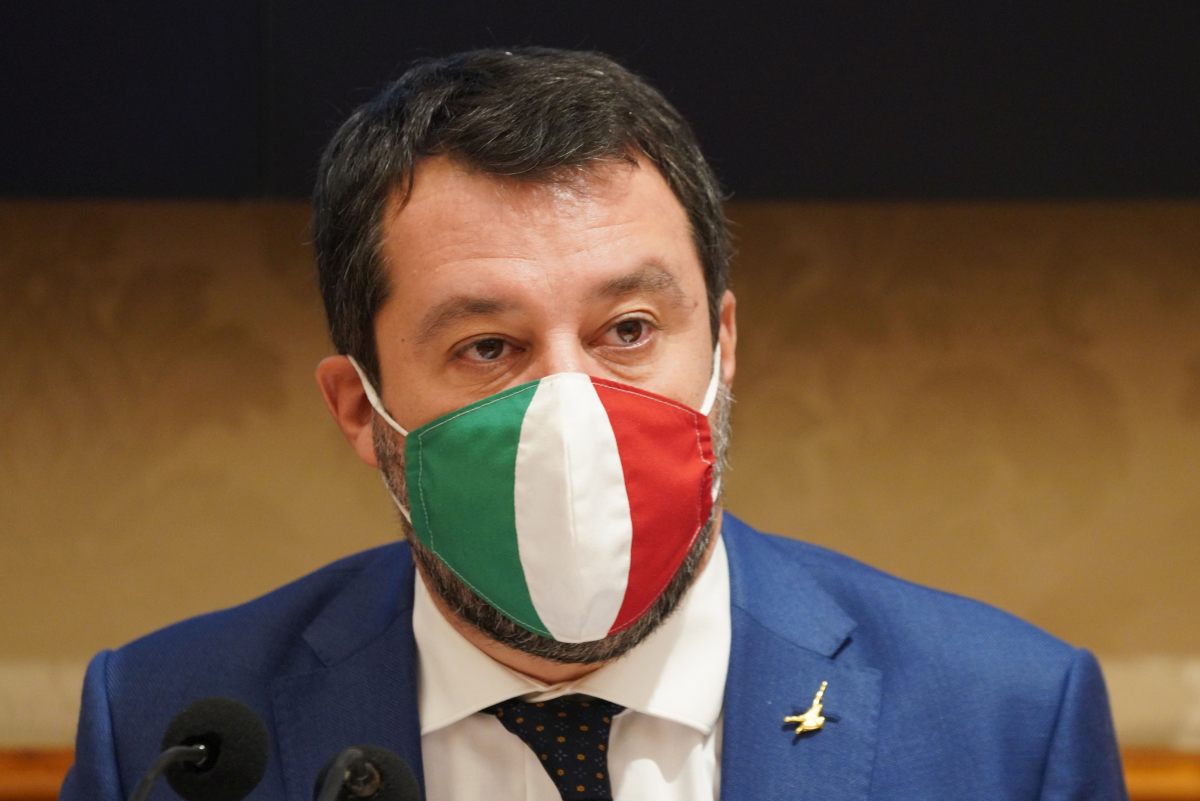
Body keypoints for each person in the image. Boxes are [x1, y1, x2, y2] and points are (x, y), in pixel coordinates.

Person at [60, 47, 1127, 801]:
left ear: (724, 346)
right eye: (489, 347)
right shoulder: (164, 730)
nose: (572, 407)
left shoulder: (1007, 722)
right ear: (360, 408)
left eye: (628, 330)